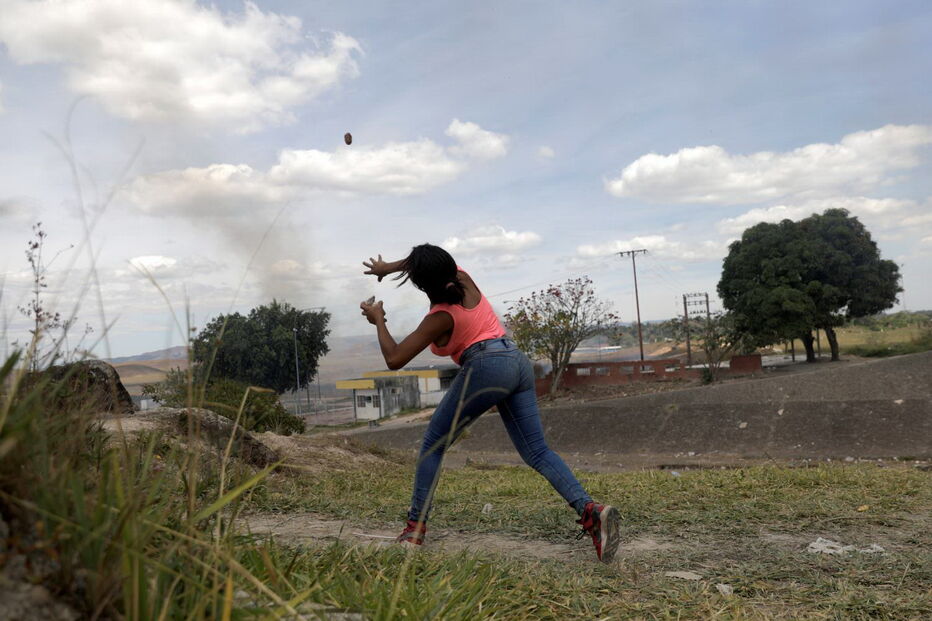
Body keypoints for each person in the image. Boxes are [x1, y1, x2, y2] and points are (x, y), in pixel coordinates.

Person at [360, 243, 620, 562]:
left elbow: (395, 358)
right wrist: (391, 268)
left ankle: (413, 532)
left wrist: (379, 320)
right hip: (517, 362)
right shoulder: (465, 280)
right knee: (537, 451)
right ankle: (591, 512)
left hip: (486, 366)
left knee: (433, 445)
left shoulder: (440, 316)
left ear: (418, 282)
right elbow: (431, 264)